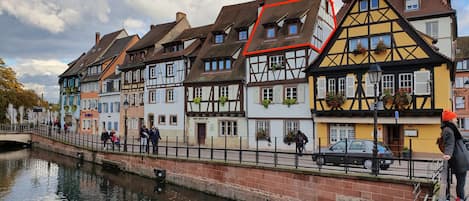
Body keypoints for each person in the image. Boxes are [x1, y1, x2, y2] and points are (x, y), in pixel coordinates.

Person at [441, 110, 469, 201]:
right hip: (460, 161)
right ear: (450, 119)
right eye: (455, 118)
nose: (456, 120)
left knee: (461, 182)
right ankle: (460, 199)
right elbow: (450, 143)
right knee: (461, 183)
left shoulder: (450, 128)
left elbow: (456, 141)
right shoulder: (448, 130)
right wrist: (448, 154)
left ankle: (460, 198)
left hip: (461, 160)